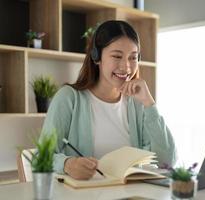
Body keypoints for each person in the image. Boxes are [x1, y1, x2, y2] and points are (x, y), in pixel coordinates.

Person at [41, 20, 177, 180]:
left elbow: (167, 161)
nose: (126, 67)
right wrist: (67, 164)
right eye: (117, 56)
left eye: (133, 58)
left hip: (130, 194)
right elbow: (43, 156)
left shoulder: (137, 104)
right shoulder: (69, 98)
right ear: (96, 57)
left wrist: (149, 103)